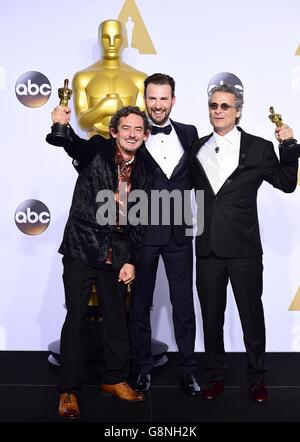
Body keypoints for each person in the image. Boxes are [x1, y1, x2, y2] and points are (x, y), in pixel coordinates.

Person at [190, 83, 299, 402]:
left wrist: (289, 146)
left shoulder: (260, 147)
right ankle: (215, 375)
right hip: (206, 247)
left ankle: (256, 378)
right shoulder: (196, 147)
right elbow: (188, 196)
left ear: (237, 111)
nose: (218, 111)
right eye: (213, 106)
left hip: (244, 249)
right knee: (211, 317)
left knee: (251, 315)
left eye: (225, 106)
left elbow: (286, 183)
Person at [47, 105, 151, 419]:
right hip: (83, 248)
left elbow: (140, 219)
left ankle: (114, 379)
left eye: (138, 129)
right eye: (126, 128)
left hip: (117, 253)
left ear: (144, 136)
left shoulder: (145, 170)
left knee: (118, 319)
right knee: (76, 319)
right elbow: (72, 145)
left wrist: (130, 259)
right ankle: (69, 390)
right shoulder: (96, 149)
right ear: (114, 132)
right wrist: (61, 127)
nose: (132, 134)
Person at [129, 73, 201, 396]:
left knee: (183, 304)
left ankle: (188, 370)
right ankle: (142, 369)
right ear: (145, 100)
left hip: (181, 232)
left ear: (173, 100)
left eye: (163, 98)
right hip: (143, 231)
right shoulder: (133, 133)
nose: (158, 105)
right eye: (152, 98)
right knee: (140, 304)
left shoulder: (189, 133)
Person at [72, 19, 147, 139]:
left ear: (124, 40)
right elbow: (82, 123)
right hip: (93, 153)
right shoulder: (83, 77)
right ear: (99, 40)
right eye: (106, 37)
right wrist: (101, 109)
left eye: (117, 37)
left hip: (130, 153)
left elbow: (141, 124)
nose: (111, 43)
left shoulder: (139, 79)